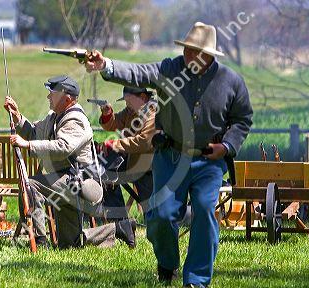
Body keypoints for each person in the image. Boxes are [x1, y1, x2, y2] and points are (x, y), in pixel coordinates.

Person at [85, 22, 253, 287]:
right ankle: (167, 263)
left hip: (209, 161)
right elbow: (137, 73)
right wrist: (106, 65)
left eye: (194, 51)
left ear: (208, 55)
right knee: (160, 216)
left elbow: (242, 120)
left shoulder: (231, 82)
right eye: (186, 49)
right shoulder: (168, 69)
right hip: (170, 156)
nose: (187, 55)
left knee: (204, 211)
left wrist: (228, 146)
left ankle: (196, 280)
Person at [4, 75, 136, 249]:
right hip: (66, 181)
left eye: (52, 93)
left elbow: (63, 147)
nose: (48, 97)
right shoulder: (54, 116)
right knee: (70, 245)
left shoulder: (76, 120)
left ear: (66, 99)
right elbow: (35, 133)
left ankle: (39, 241)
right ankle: (117, 228)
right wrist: (17, 117)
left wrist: (27, 145)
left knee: (31, 185)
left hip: (81, 184)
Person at [99, 86, 157, 219]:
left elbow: (144, 142)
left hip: (150, 168)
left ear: (142, 97)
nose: (127, 104)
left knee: (154, 213)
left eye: (129, 101)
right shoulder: (131, 111)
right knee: (105, 174)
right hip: (134, 163)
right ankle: (118, 220)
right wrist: (108, 114)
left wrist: (115, 144)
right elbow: (114, 123)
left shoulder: (153, 114)